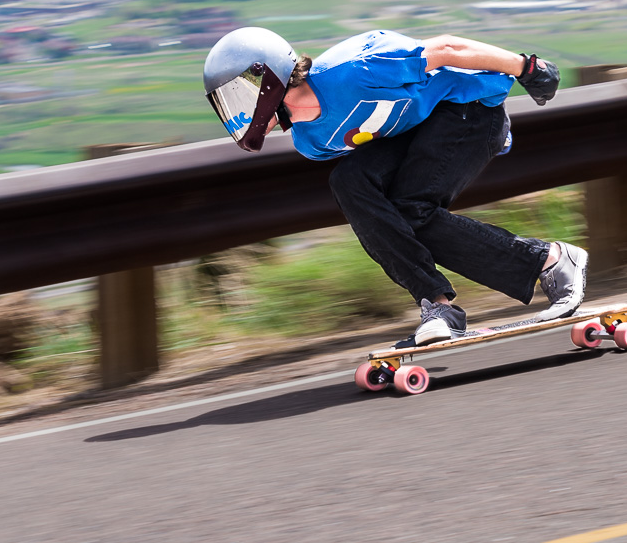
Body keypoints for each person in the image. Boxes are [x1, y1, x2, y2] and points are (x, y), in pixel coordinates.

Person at [202, 26, 586, 347]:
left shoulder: (356, 71)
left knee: (408, 208)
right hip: (420, 131)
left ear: (267, 77)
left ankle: (549, 260)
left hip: (471, 111)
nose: (235, 110)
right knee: (350, 182)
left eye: (238, 93)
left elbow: (448, 48)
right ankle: (438, 306)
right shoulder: (311, 141)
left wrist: (526, 67)